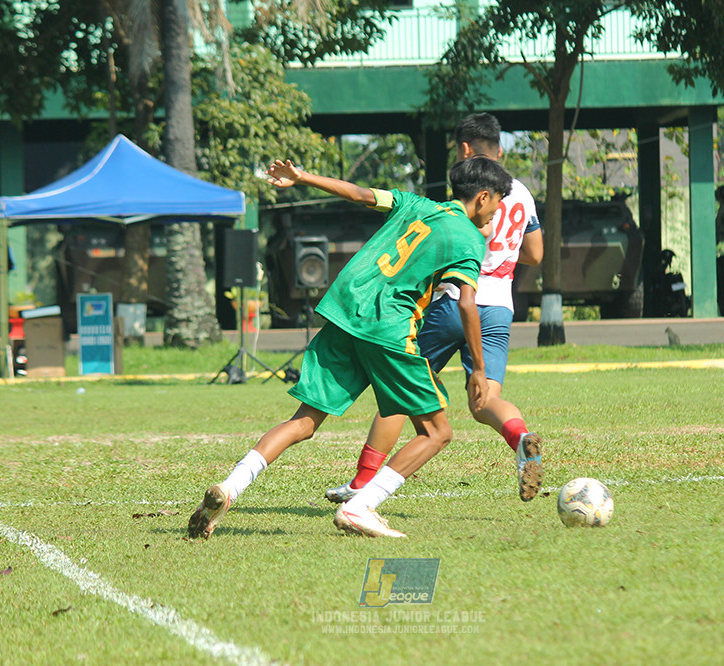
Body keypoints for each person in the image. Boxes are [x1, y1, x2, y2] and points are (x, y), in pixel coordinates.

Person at [188, 155, 513, 539]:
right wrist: (477, 367)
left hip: (345, 309)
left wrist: (302, 176)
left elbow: (358, 194)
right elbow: (466, 303)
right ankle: (360, 506)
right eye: (498, 202)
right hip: (388, 325)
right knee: (437, 433)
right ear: (484, 197)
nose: (498, 211)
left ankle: (230, 487)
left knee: (304, 422)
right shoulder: (469, 238)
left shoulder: (416, 204)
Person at [324, 112, 546, 506]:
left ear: (464, 149)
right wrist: (504, 259)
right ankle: (521, 438)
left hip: (451, 302)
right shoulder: (521, 193)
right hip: (498, 306)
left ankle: (362, 481)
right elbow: (535, 253)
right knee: (484, 401)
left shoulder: (464, 199)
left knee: (399, 388)